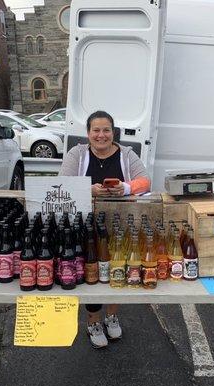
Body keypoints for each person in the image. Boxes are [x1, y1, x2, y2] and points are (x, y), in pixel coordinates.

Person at [59, 110, 151, 348]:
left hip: (119, 224)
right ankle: (93, 321)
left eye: (106, 130)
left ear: (113, 132)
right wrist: (87, 189)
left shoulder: (127, 154)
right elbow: (62, 182)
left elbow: (144, 181)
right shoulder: (77, 154)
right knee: (91, 272)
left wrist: (127, 188)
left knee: (114, 270)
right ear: (88, 133)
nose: (101, 135)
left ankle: (111, 315)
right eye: (96, 130)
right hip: (86, 226)